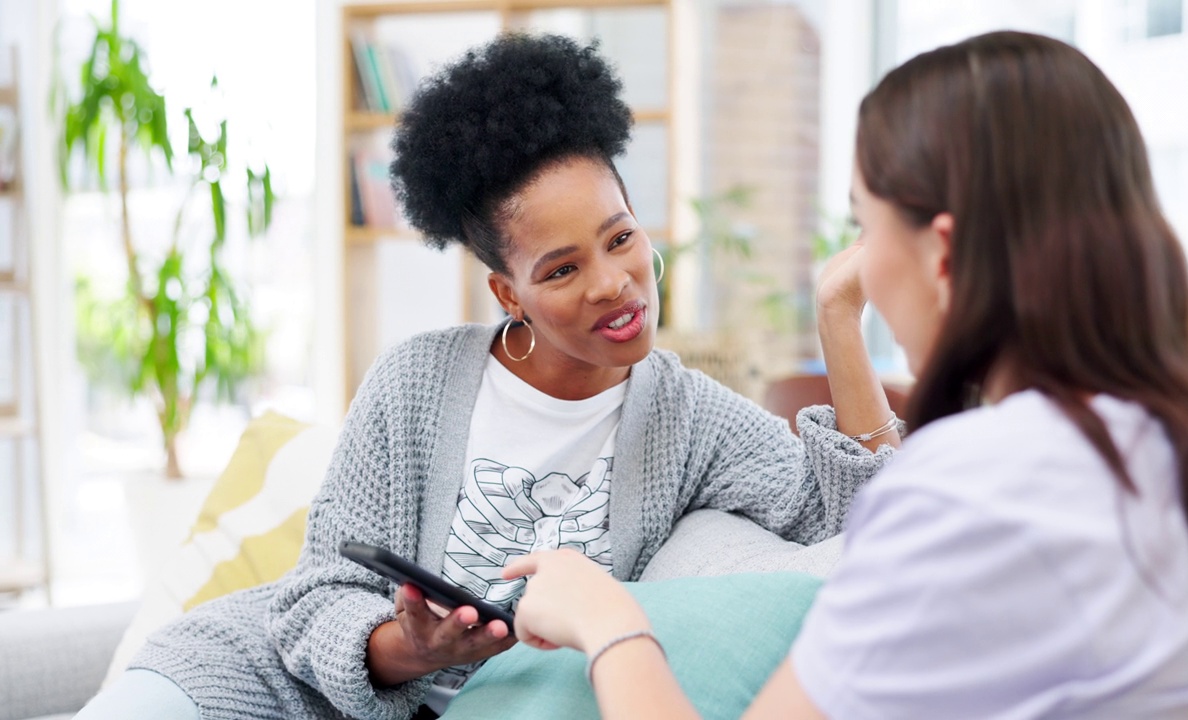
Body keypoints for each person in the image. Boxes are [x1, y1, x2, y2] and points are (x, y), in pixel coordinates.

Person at [75, 34, 901, 720]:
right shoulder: (416, 381)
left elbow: (858, 521)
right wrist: (410, 647)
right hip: (260, 682)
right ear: (509, 292)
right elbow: (316, 592)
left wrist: (838, 319)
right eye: (562, 269)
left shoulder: (687, 416)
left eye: (620, 239)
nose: (614, 283)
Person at [504, 30, 1188, 719]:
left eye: (866, 226)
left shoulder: (972, 486)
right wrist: (838, 319)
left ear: (941, 254)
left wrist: (609, 621)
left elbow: (853, 511)